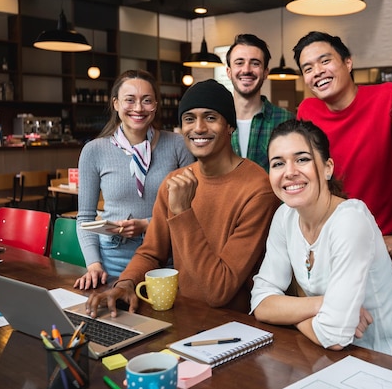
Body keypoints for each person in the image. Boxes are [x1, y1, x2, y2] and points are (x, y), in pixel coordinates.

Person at [83, 79, 281, 315]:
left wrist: (183, 212)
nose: (198, 128)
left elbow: (219, 291)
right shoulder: (174, 181)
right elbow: (151, 253)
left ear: (230, 126)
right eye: (189, 119)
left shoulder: (258, 189)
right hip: (181, 313)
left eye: (210, 117)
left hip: (234, 325)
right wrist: (125, 283)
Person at [250, 119, 392, 362]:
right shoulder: (285, 215)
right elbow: (261, 303)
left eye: (302, 159)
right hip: (329, 360)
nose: (289, 172)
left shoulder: (350, 219)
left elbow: (335, 335)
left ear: (327, 168)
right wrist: (323, 305)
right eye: (278, 163)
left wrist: (290, 313)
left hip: (388, 363)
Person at [293, 31, 392, 306]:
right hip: (332, 254)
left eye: (325, 61)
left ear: (348, 63)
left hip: (387, 253)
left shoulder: (388, 98)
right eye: (308, 68)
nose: (318, 72)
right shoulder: (307, 111)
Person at [75, 69, 194, 288]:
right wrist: (93, 265)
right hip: (112, 256)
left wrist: (147, 225)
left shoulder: (178, 145)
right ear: (116, 104)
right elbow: (85, 217)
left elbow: (192, 208)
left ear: (156, 105)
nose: (138, 108)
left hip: (165, 253)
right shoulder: (94, 150)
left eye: (147, 101)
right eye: (130, 100)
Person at [226, 34, 294, 172]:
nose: (246, 70)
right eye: (239, 62)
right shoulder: (217, 120)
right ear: (229, 72)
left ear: (265, 72)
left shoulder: (286, 120)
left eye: (255, 63)